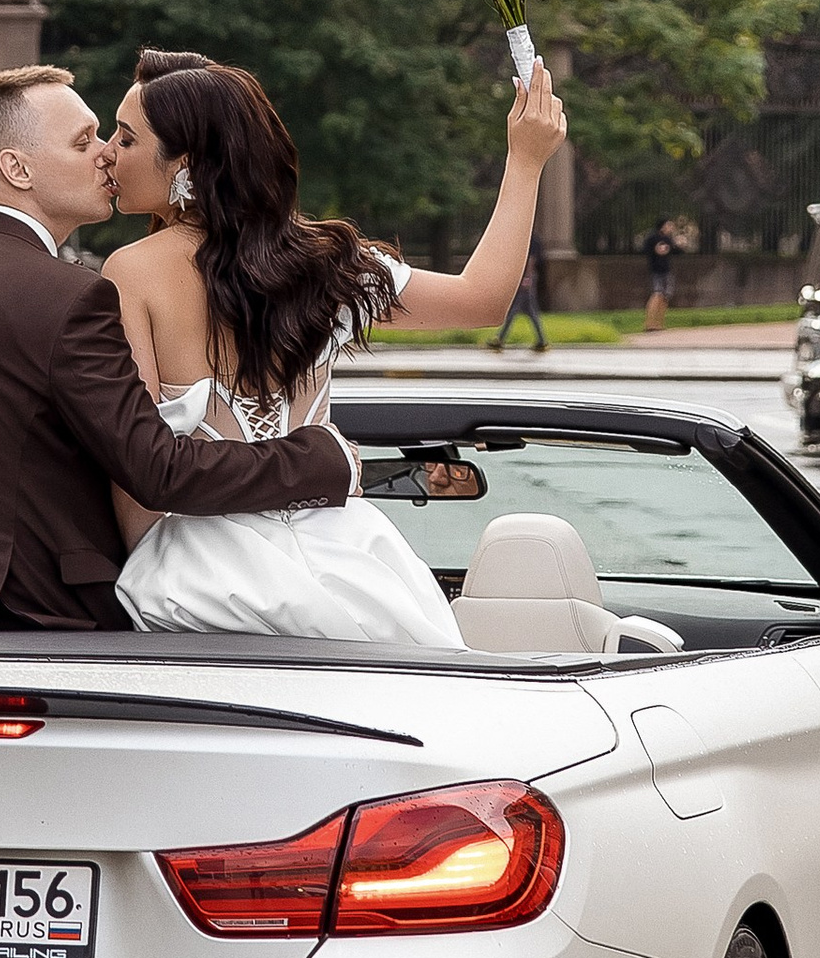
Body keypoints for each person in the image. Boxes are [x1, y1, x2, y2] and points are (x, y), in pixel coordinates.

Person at [0, 66, 360, 637]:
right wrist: (322, 459)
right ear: (16, 168)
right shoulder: (74, 298)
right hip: (40, 620)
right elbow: (158, 469)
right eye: (83, 142)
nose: (106, 152)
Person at [99, 49, 570, 646]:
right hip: (356, 566)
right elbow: (483, 300)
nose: (107, 152)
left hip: (202, 579)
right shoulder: (330, 263)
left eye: (126, 137)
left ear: (185, 164)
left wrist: (148, 567)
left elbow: (135, 472)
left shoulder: (131, 273)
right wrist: (525, 162)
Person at [642, 216, 684, 332]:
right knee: (657, 294)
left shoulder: (668, 239)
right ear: (662, 226)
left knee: (665, 297)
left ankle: (659, 323)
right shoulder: (652, 238)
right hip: (656, 271)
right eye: (669, 225)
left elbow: (676, 252)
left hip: (666, 271)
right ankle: (649, 323)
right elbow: (645, 250)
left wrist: (680, 245)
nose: (671, 227)